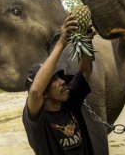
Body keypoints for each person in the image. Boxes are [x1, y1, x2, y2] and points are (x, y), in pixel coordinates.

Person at [22, 13, 95, 155]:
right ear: (44, 93)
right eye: (54, 80)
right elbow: (35, 91)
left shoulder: (69, 102)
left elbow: (85, 72)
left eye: (59, 78)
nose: (62, 81)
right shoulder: (37, 119)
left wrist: (83, 43)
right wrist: (61, 42)